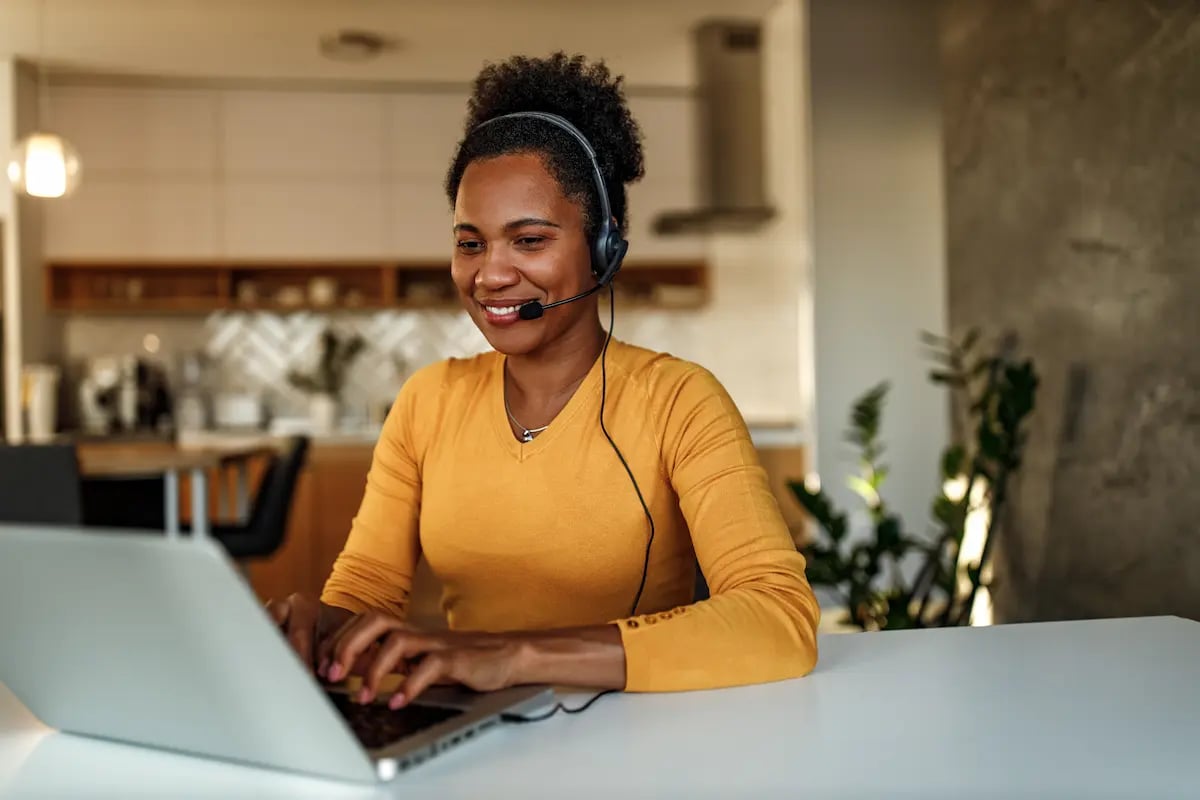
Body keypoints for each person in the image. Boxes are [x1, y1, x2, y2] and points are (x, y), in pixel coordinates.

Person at [267, 52, 820, 712]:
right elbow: (366, 590)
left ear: (605, 246)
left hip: (646, 738)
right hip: (473, 737)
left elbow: (779, 618)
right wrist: (318, 628)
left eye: (528, 241)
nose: (490, 275)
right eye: (470, 243)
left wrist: (518, 655)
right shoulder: (427, 402)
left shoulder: (678, 401)